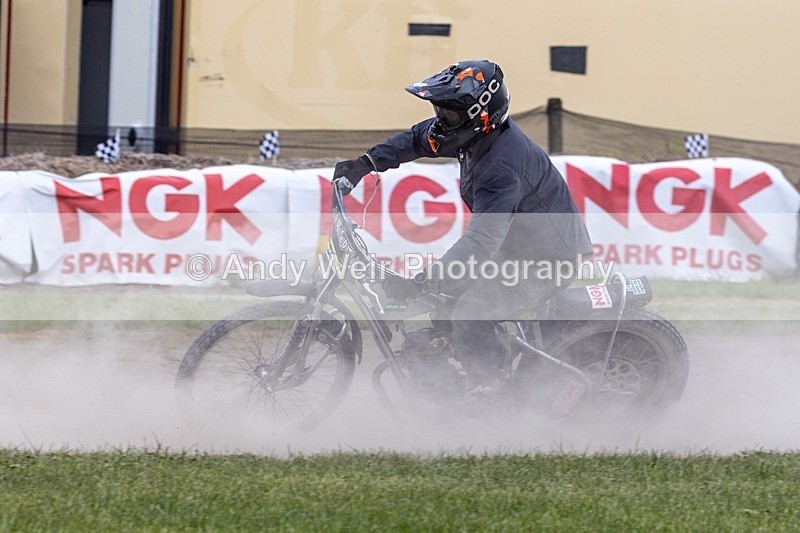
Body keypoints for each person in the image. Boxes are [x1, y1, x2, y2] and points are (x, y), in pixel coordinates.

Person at [333, 60, 592, 401]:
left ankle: (488, 389)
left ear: (480, 113)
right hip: (516, 249)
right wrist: (364, 164)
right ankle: (447, 372)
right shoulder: (473, 137)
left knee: (471, 309)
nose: (443, 122)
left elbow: (482, 242)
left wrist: (420, 282)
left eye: (451, 114)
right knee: (443, 299)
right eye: (441, 111)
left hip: (546, 259)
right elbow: (415, 139)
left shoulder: (501, 164)